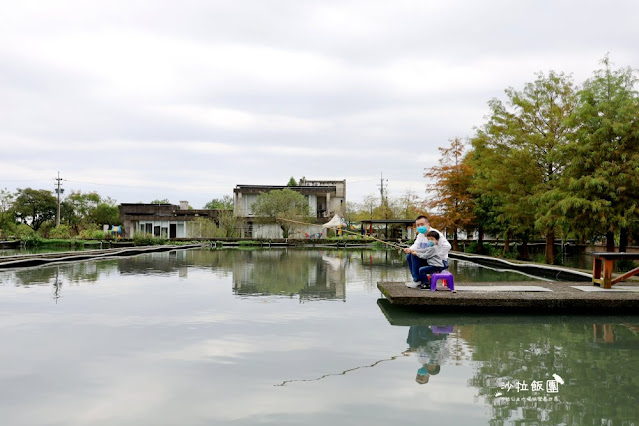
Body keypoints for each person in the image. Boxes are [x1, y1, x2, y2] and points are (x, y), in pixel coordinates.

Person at [403, 215, 451, 287]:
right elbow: (416, 246)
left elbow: (447, 246)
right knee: (409, 255)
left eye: (422, 224)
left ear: (428, 224)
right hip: (428, 259)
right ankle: (417, 279)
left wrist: (437, 257)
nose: (420, 227)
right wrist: (410, 249)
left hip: (439, 262)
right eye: (418, 225)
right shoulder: (420, 235)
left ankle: (417, 280)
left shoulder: (435, 234)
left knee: (414, 255)